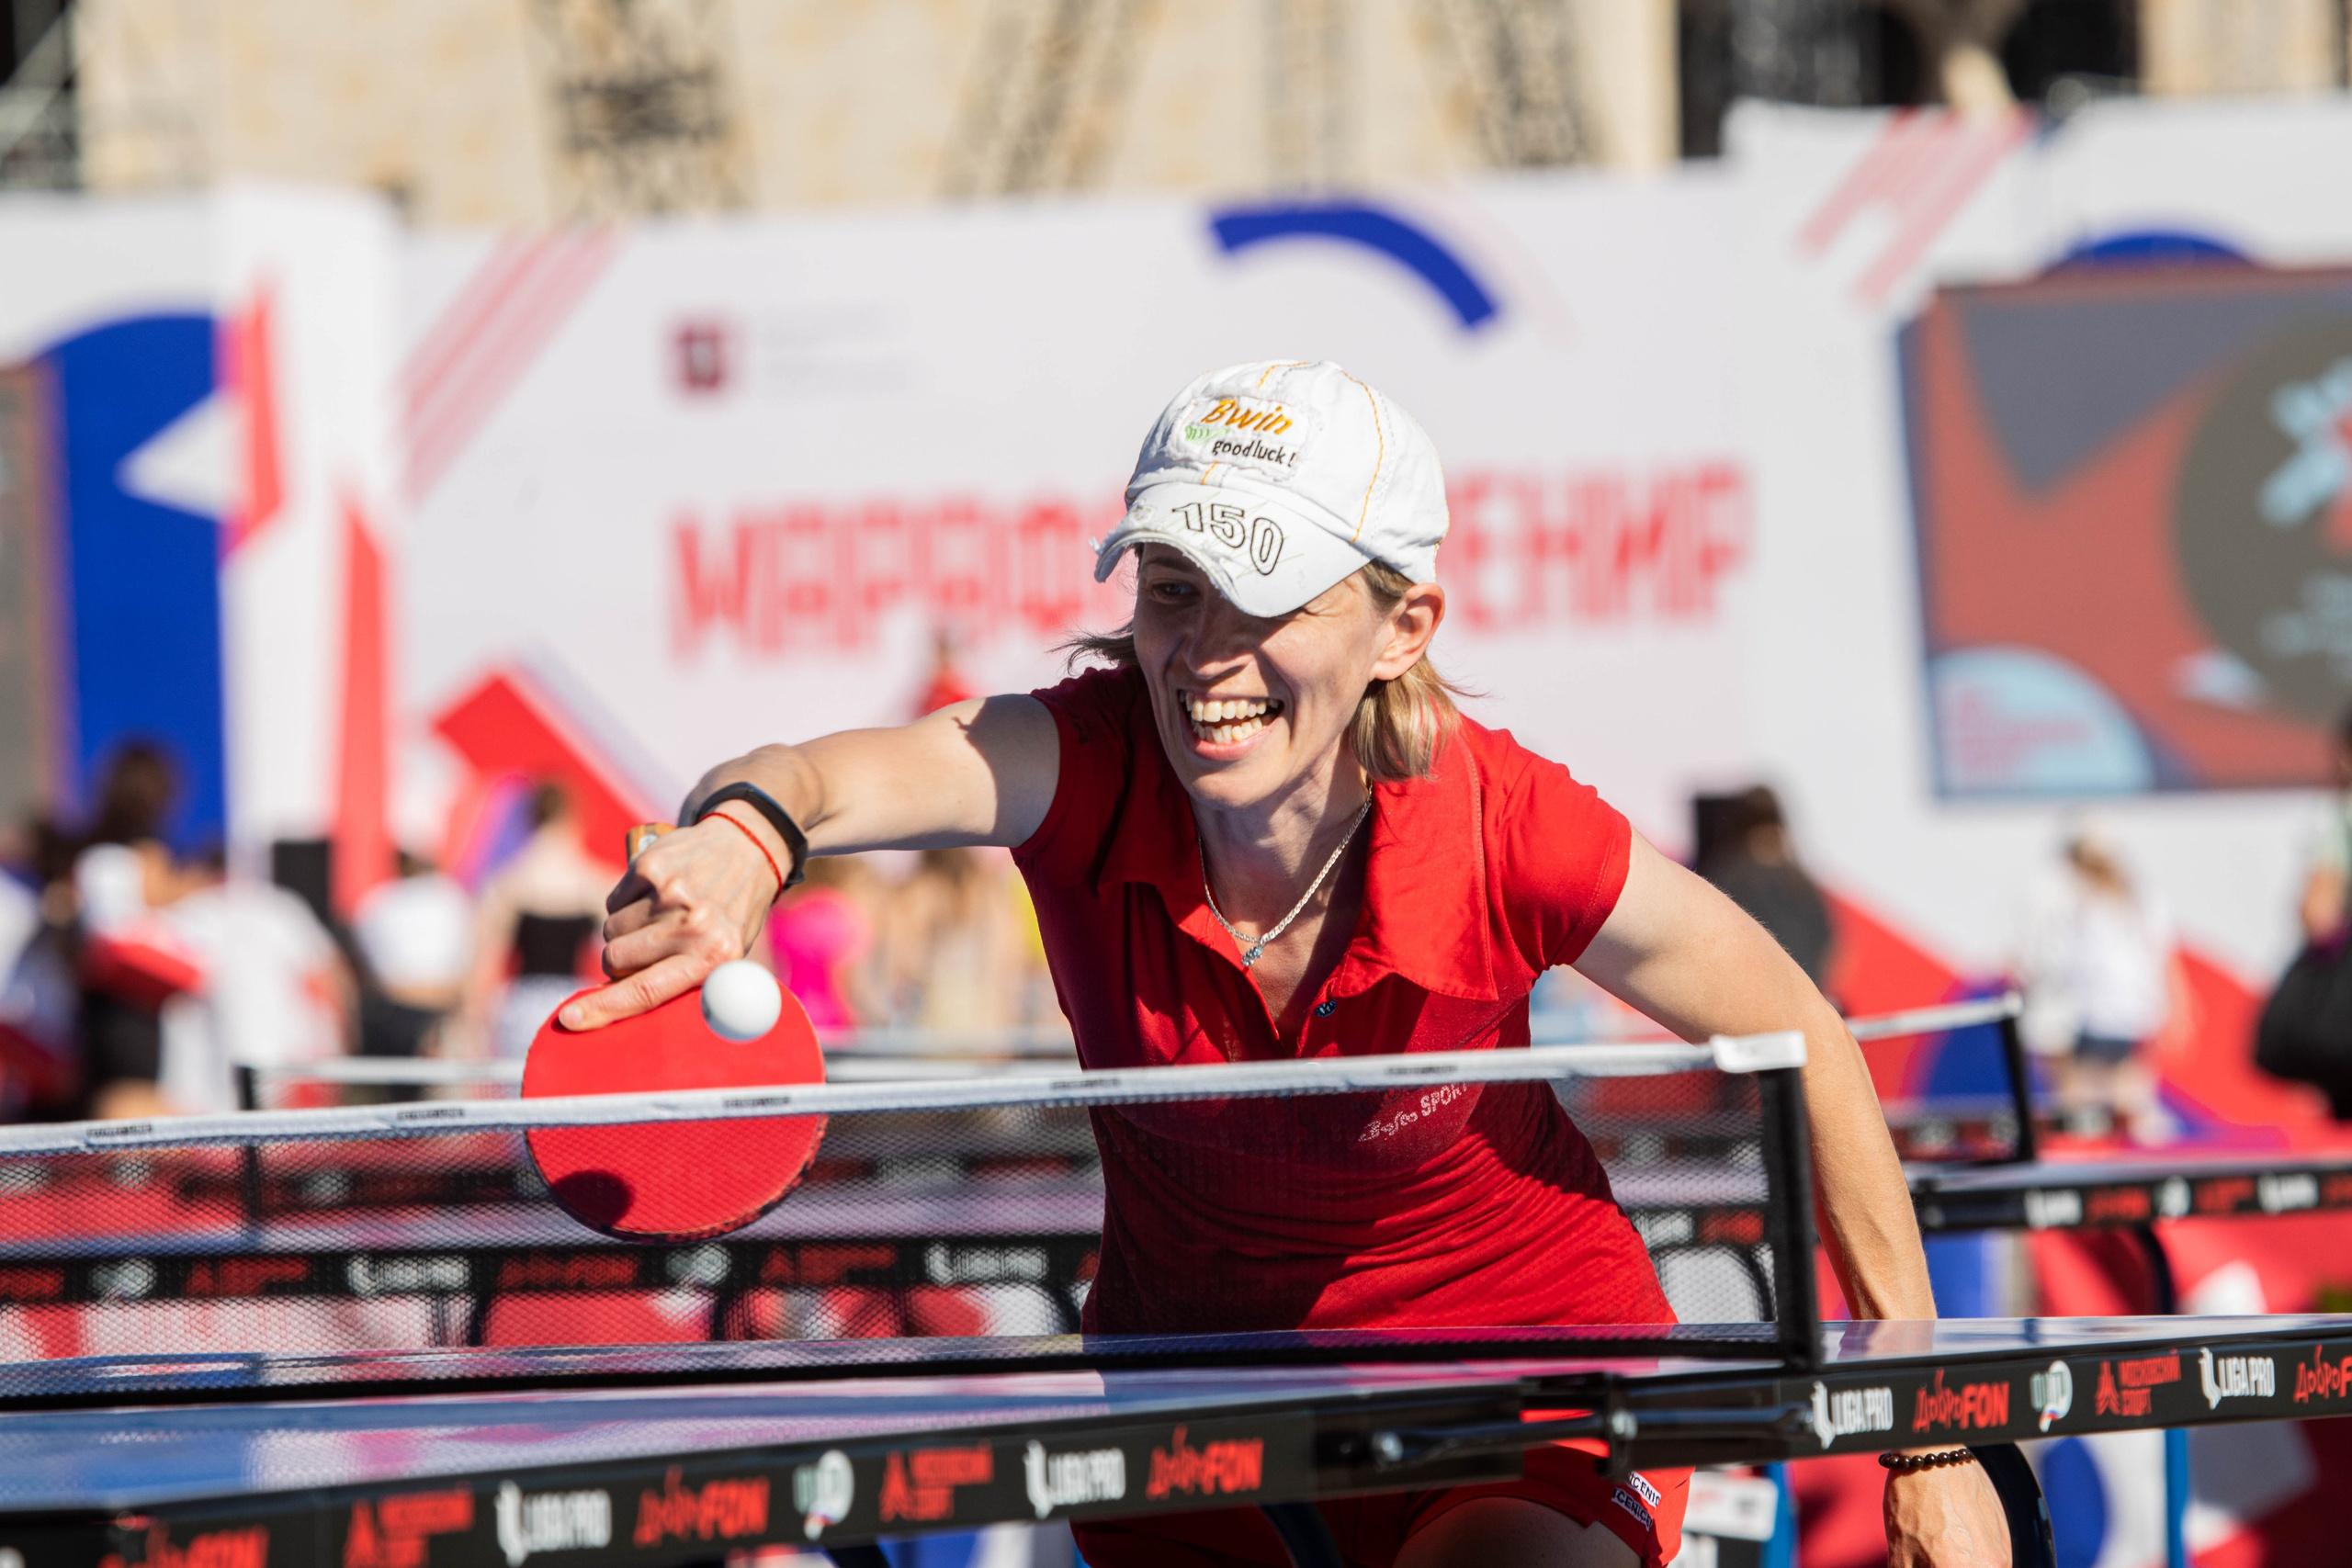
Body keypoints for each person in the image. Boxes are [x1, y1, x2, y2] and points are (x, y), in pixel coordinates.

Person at [569, 363, 2007, 1568]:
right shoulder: (1085, 758)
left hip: (1514, 1379)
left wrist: (1926, 1421)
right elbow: (813, 774)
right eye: (1177, 588)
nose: (1209, 653)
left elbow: (1799, 1033)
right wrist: (748, 837)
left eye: (1273, 597)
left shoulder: (1512, 830)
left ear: (1403, 626)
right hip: (1192, 1399)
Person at [2016, 817, 2177, 1140]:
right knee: (2128, 1104)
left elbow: (2043, 960)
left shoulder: (2065, 891)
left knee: (2080, 1107)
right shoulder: (2134, 894)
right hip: (2124, 1019)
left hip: (2085, 1018)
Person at [470, 783, 611, 1061]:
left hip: (520, 1007)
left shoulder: (507, 882)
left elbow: (485, 962)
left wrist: (474, 1024)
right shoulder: (596, 883)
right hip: (572, 1004)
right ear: (573, 816)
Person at [1695, 785, 1835, 989]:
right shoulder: (1799, 880)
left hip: (1754, 997)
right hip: (1805, 996)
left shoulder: (1730, 873)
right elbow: (1829, 943)